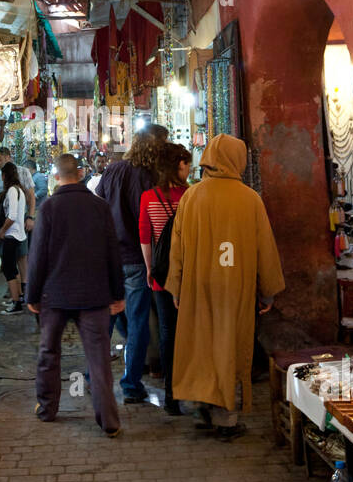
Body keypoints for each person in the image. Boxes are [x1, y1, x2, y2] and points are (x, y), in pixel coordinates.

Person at [167, 133, 285, 440]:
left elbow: (176, 248)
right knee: (230, 347)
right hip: (235, 287)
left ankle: (204, 406)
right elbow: (265, 250)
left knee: (202, 346)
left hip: (197, 286)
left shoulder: (191, 197)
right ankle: (227, 419)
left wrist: (177, 288)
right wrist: (268, 290)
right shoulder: (249, 199)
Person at [26, 154, 125, 437]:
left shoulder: (49, 208)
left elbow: (38, 257)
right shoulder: (99, 207)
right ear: (80, 174)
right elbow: (112, 253)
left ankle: (47, 408)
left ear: (56, 177)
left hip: (55, 296)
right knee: (98, 359)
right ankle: (109, 421)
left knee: (49, 353)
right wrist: (117, 293)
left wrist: (31, 294)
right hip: (94, 295)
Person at [97, 124, 168, 401]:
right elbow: (149, 220)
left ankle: (93, 376)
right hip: (137, 259)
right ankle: (130, 385)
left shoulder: (113, 170)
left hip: (111, 256)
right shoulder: (148, 176)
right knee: (137, 322)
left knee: (108, 320)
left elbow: (99, 206)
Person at [139, 142, 191, 416]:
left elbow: (145, 238)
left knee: (168, 334)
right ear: (178, 166)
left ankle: (172, 396)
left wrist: (149, 269)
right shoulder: (191, 196)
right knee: (190, 334)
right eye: (187, 165)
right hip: (188, 276)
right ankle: (193, 388)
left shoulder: (148, 197)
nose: (190, 169)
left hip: (161, 276)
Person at [0, 161, 27, 313]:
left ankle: (16, 303)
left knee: (8, 268)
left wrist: (2, 231)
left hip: (12, 235)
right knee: (13, 268)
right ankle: (19, 297)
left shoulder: (12, 191)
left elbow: (12, 216)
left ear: (4, 176)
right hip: (18, 234)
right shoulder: (19, 191)